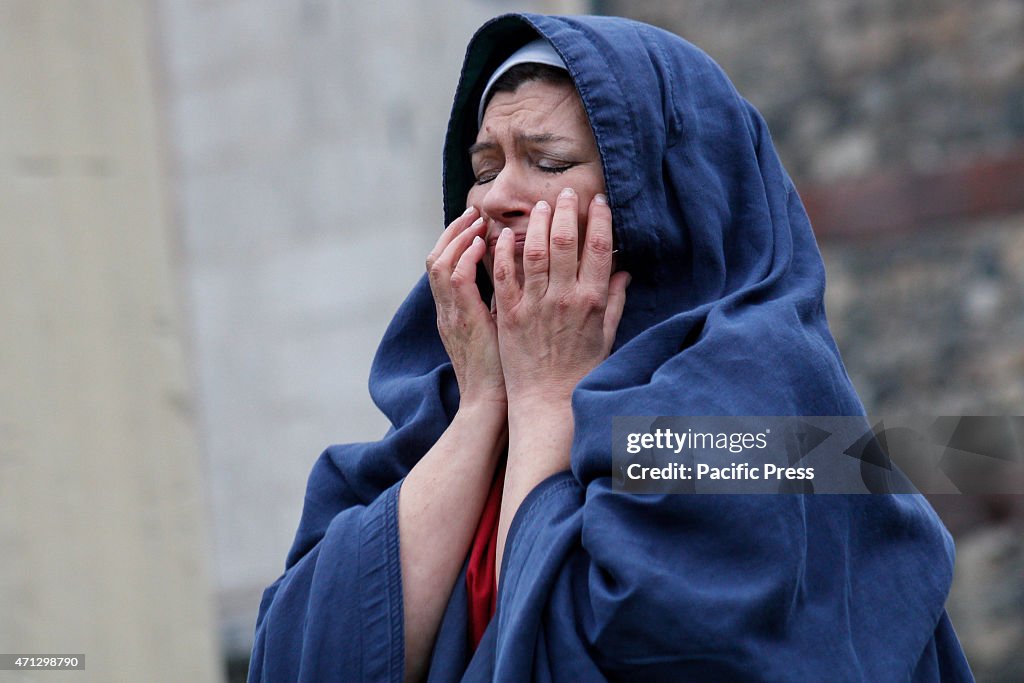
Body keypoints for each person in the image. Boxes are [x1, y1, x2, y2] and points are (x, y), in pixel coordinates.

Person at [247, 13, 974, 682]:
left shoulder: (760, 402)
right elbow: (304, 655)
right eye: (484, 166)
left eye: (549, 161)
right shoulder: (434, 418)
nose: (495, 196)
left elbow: (629, 649)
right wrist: (485, 406)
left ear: (663, 196)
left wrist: (547, 400)